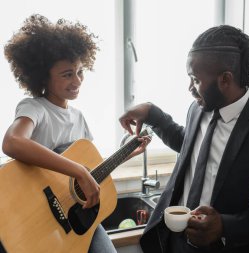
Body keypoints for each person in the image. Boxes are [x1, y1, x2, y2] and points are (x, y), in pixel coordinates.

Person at [119, 25, 249, 253]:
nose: (190, 88)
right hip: (176, 243)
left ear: (225, 79)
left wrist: (224, 226)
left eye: (195, 79)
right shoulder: (198, 109)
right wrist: (152, 114)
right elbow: (189, 146)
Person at [2, 14, 150, 253]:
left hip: (75, 217)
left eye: (80, 71)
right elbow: (12, 142)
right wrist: (79, 171)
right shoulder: (34, 108)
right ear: (43, 77)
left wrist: (128, 154)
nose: (77, 80)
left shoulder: (78, 117)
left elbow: (91, 170)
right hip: (32, 214)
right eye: (67, 74)